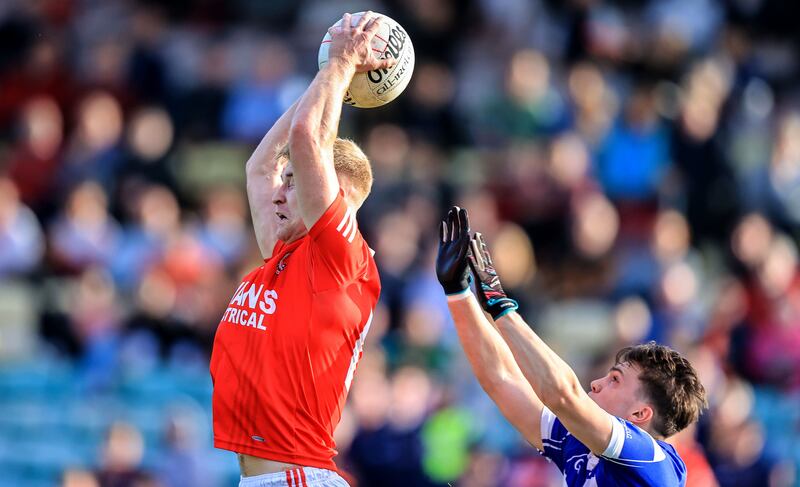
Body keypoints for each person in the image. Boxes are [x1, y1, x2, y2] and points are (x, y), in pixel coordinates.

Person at [210, 12, 394, 487]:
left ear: (337, 195)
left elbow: (307, 139)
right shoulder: (283, 254)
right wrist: (326, 76)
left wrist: (342, 64)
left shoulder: (339, 259)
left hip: (299, 477)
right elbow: (259, 167)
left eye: (292, 182)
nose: (277, 192)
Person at [435, 207, 708, 486]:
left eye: (615, 380)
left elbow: (564, 395)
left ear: (639, 414)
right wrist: (458, 292)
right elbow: (500, 379)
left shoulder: (653, 461)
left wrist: (500, 307)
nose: (596, 383)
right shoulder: (581, 445)